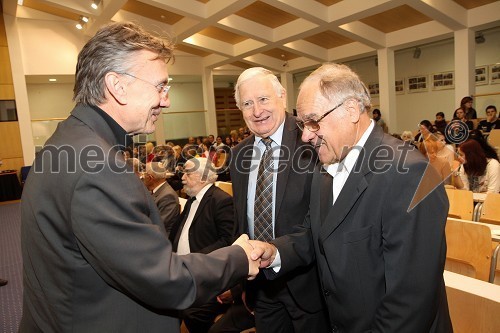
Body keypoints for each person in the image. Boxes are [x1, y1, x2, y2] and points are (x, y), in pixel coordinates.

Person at [19, 22, 260, 333]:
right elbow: (165, 279)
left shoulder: (67, 142)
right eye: (160, 86)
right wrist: (239, 258)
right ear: (117, 86)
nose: (166, 101)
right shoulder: (98, 166)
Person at [250, 63, 452, 332]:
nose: (305, 135)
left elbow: (409, 301)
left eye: (312, 121)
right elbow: (315, 234)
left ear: (352, 110)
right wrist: (274, 252)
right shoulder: (325, 169)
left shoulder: (409, 173)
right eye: (301, 123)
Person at [227, 67, 328, 333]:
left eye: (263, 99)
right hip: (261, 289)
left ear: (282, 95)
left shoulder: (313, 140)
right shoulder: (239, 154)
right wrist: (243, 282)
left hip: (309, 286)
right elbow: (242, 222)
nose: (257, 111)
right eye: (247, 103)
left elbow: (325, 220)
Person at [169, 157, 237, 333]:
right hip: (183, 272)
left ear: (203, 177)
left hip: (205, 276)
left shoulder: (221, 200)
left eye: (188, 173)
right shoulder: (192, 200)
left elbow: (227, 241)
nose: (182, 177)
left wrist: (194, 259)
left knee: (192, 315)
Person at [143, 161, 180, 236]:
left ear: (150, 178)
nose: (142, 177)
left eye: (144, 174)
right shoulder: (154, 191)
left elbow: (158, 224)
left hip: (158, 238)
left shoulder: (168, 196)